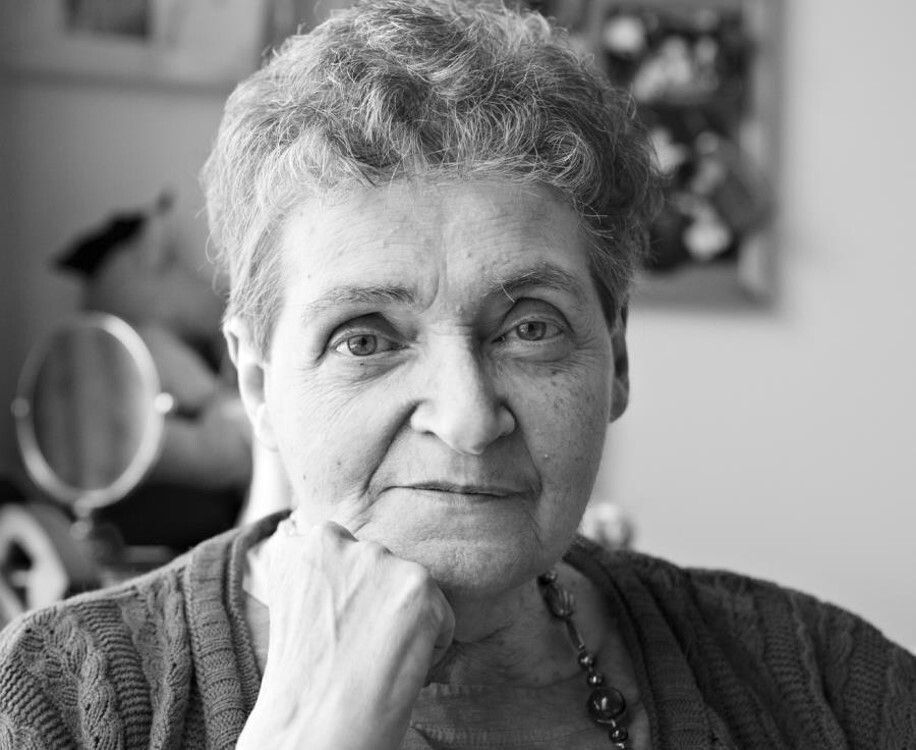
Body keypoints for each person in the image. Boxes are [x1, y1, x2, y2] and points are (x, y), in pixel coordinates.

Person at [1, 1, 913, 748]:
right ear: (256, 384)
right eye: (366, 339)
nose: (469, 417)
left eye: (530, 328)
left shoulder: (837, 689)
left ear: (619, 358)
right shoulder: (55, 701)